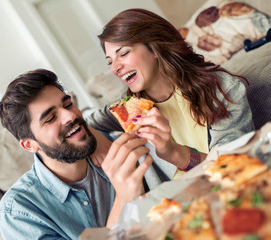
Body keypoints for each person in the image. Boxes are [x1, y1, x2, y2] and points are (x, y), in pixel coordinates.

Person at [86, 8, 254, 180]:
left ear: (155, 46)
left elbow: (233, 167)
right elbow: (85, 122)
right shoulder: (128, 108)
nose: (115, 68)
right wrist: (94, 141)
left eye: (123, 53)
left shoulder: (221, 89)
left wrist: (174, 153)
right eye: (110, 62)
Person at [0, 69, 152, 239]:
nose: (70, 115)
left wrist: (93, 131)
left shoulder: (109, 143)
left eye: (68, 104)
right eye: (50, 118)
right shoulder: (19, 212)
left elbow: (136, 103)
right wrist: (124, 198)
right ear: (29, 145)